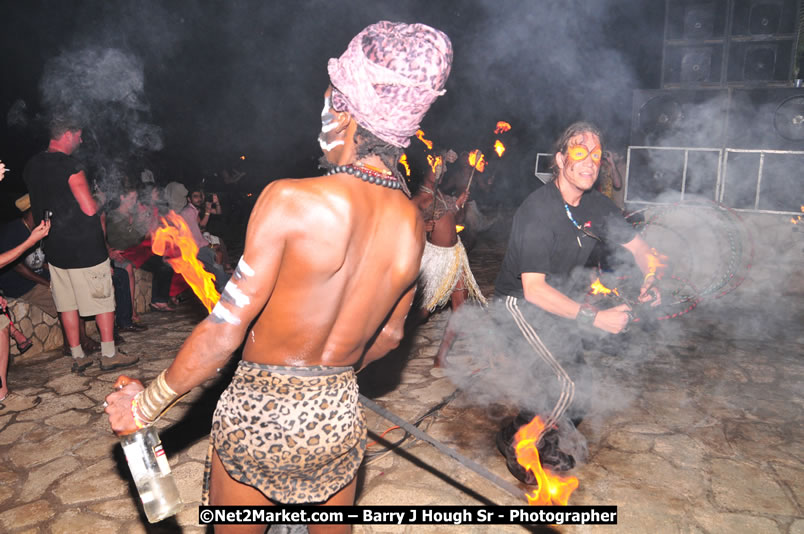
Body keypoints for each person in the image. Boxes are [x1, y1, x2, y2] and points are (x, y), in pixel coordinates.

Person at [105, 20, 452, 531]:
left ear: (344, 107)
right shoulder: (410, 224)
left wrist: (145, 406)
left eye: (328, 96)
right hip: (336, 415)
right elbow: (392, 336)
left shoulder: (291, 199)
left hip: (258, 416)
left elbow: (225, 331)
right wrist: (323, 380)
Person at [492, 122, 664, 484]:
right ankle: (523, 446)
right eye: (580, 151)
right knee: (568, 381)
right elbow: (535, 290)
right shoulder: (537, 211)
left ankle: (524, 430)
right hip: (519, 303)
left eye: (597, 155)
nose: (590, 161)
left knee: (577, 386)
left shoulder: (597, 206)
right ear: (560, 159)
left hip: (559, 303)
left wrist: (651, 277)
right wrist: (596, 319)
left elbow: (642, 249)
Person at [23, 116, 138, 373]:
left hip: (54, 245)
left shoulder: (31, 165)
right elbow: (88, 209)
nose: (81, 139)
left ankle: (77, 356)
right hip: (85, 247)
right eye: (78, 135)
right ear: (67, 135)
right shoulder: (70, 165)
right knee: (102, 300)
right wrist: (100, 199)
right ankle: (109, 354)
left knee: (67, 303)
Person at [412, 149, 486, 368]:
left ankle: (441, 357)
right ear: (424, 170)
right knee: (423, 312)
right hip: (437, 258)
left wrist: (458, 204)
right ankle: (394, 337)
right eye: (435, 167)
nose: (439, 171)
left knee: (459, 307)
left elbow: (451, 216)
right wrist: (420, 228)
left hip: (456, 254)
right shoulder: (418, 200)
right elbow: (402, 227)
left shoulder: (440, 196)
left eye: (441, 168)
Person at [0, 207, 49, 411]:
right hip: (20, 286)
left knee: (2, 327)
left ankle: (2, 394)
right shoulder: (14, 231)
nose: (3, 173)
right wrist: (29, 242)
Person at [180, 188, 230, 293]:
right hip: (193, 247)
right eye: (195, 196)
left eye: (200, 196)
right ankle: (223, 285)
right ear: (189, 199)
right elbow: (201, 227)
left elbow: (218, 212)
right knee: (217, 255)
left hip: (199, 242)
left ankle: (223, 278)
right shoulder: (188, 212)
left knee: (219, 248)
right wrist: (207, 212)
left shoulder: (196, 209)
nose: (199, 199)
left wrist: (216, 203)